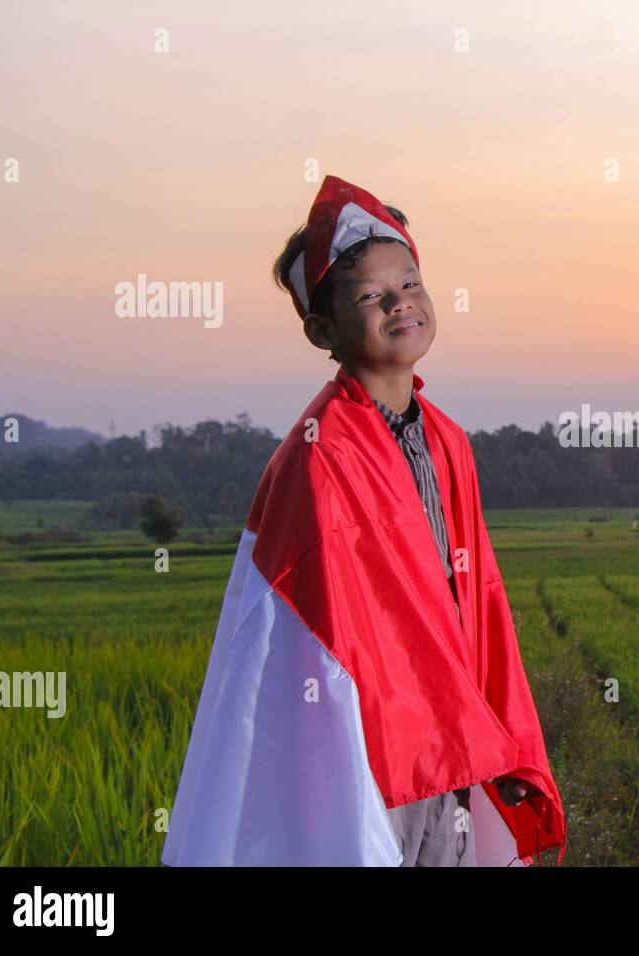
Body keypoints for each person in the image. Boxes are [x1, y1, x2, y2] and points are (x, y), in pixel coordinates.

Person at [160, 175, 566, 867]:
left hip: (451, 734)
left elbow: (476, 599)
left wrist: (486, 716)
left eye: (409, 283)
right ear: (323, 329)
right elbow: (304, 631)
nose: (399, 303)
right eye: (371, 296)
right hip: (374, 748)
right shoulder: (318, 456)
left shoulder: (446, 440)